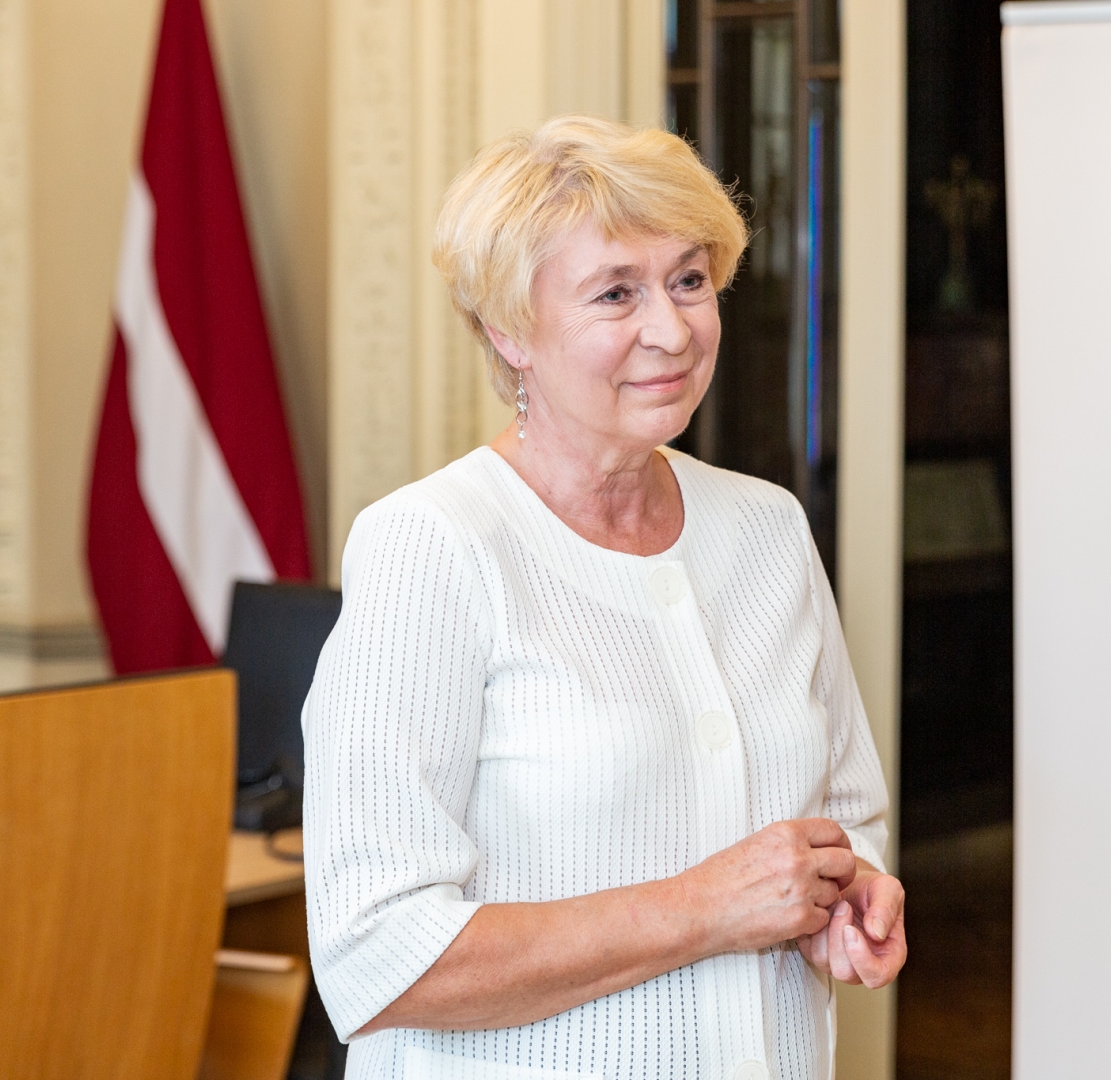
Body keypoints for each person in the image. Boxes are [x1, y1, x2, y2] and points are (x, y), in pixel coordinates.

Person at [304, 115, 904, 1080]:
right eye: (616, 293)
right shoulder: (433, 545)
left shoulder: (769, 529)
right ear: (509, 330)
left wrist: (848, 893)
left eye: (690, 281)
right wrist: (704, 908)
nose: (671, 329)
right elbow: (376, 953)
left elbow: (845, 811)